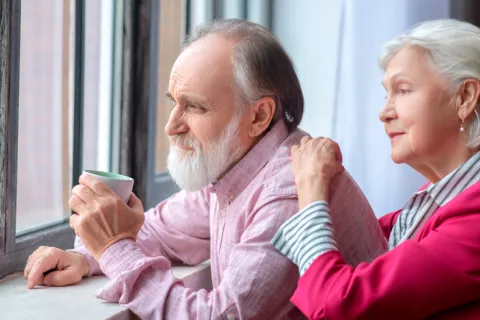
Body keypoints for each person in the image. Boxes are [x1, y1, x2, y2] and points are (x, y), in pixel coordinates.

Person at [24, 20, 386, 319]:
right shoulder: (235, 166)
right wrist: (86, 256)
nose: (171, 126)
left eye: (194, 107)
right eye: (174, 103)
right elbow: (161, 232)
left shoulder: (288, 191)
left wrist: (117, 249)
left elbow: (219, 316)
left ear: (258, 116)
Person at [272, 18, 480, 320]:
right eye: (387, 94)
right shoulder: (431, 205)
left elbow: (338, 305)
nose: (384, 113)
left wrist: (312, 187)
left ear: (465, 98)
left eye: (404, 90)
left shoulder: (473, 222)